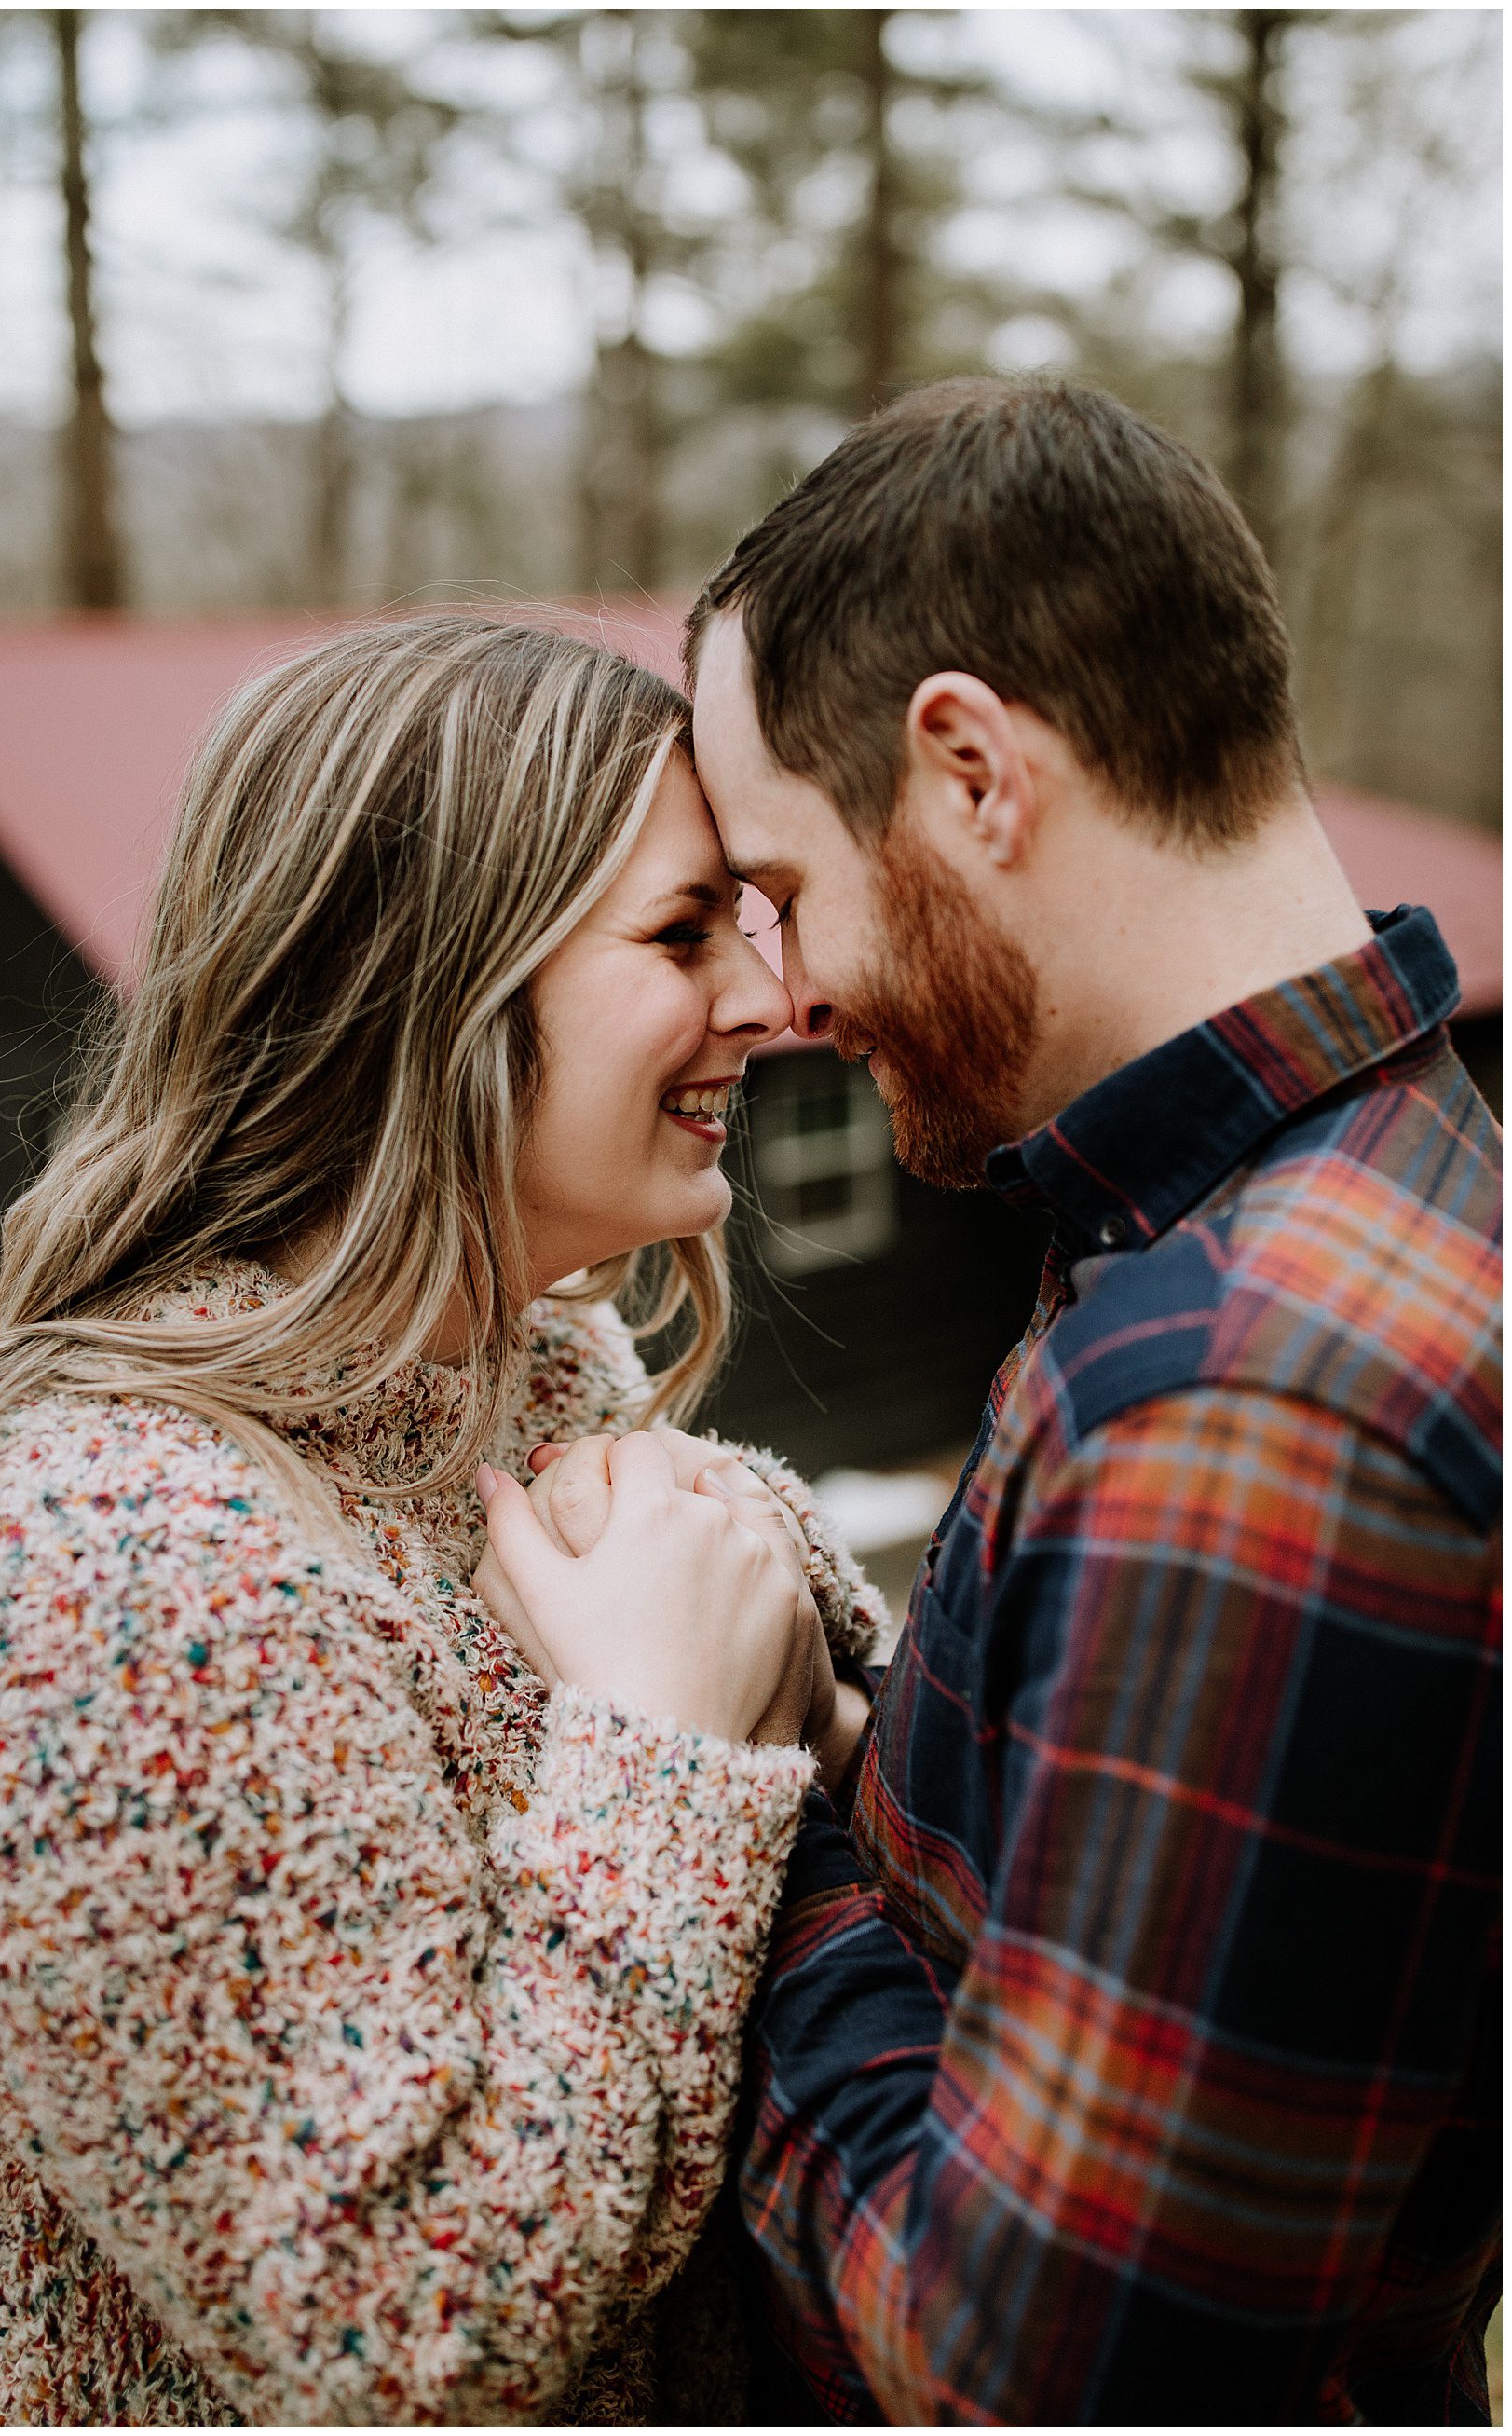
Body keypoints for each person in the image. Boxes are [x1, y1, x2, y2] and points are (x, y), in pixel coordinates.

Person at [485, 377, 1502, 2423]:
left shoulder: (1239, 1393)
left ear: (967, 769)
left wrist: (705, 1771)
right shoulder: (1313, 1201)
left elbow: (1015, 2374)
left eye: (780, 877)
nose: (781, 993)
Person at [0, 613, 885, 2426]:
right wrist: (663, 1748)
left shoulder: (547, 1371)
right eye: (679, 933)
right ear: (425, 983)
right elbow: (391, 2326)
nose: (763, 1000)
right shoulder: (115, 1565)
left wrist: (813, 1704)